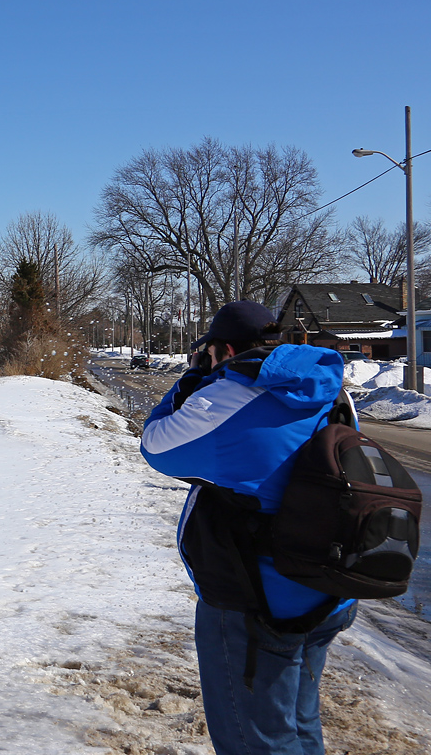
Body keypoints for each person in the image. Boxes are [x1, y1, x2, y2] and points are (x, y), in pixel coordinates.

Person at [139, 301, 357, 755]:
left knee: (257, 741)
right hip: (328, 584)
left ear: (221, 349)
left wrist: (192, 379)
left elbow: (156, 446)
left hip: (256, 599)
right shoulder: (329, 386)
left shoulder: (229, 396)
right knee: (297, 724)